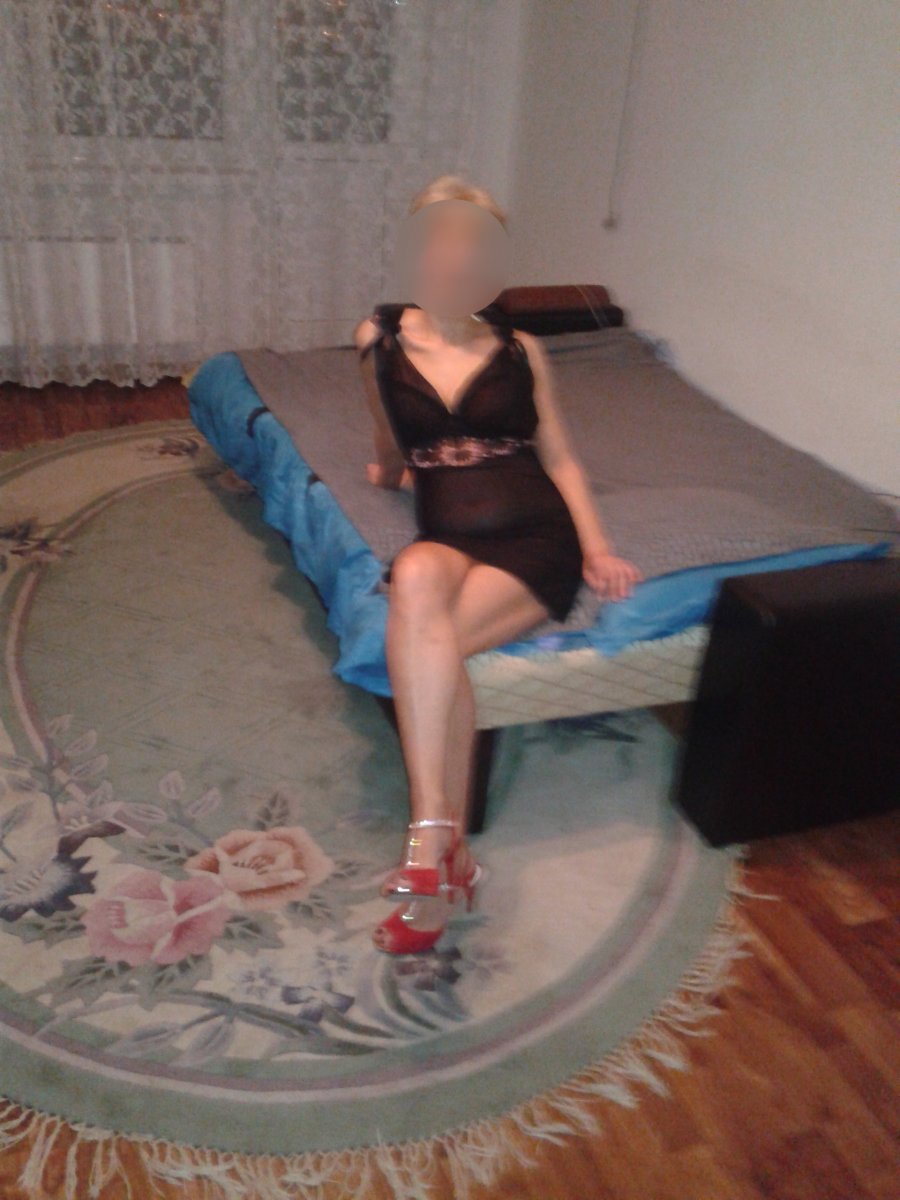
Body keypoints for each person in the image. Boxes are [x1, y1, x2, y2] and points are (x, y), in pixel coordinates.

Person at [354, 175, 643, 955]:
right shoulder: (378, 338)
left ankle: (431, 846)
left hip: (534, 539)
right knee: (415, 577)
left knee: (427, 645)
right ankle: (447, 851)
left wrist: (596, 548)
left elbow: (560, 456)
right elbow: (386, 429)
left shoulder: (522, 350)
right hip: (448, 538)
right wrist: (389, 473)